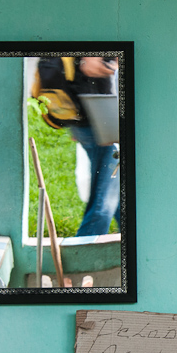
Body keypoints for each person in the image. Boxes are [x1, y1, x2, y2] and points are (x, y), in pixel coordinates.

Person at [36, 55, 121, 236]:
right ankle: (83, 258)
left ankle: (137, 244)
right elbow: (90, 65)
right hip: (100, 122)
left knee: (114, 192)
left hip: (82, 118)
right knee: (103, 202)